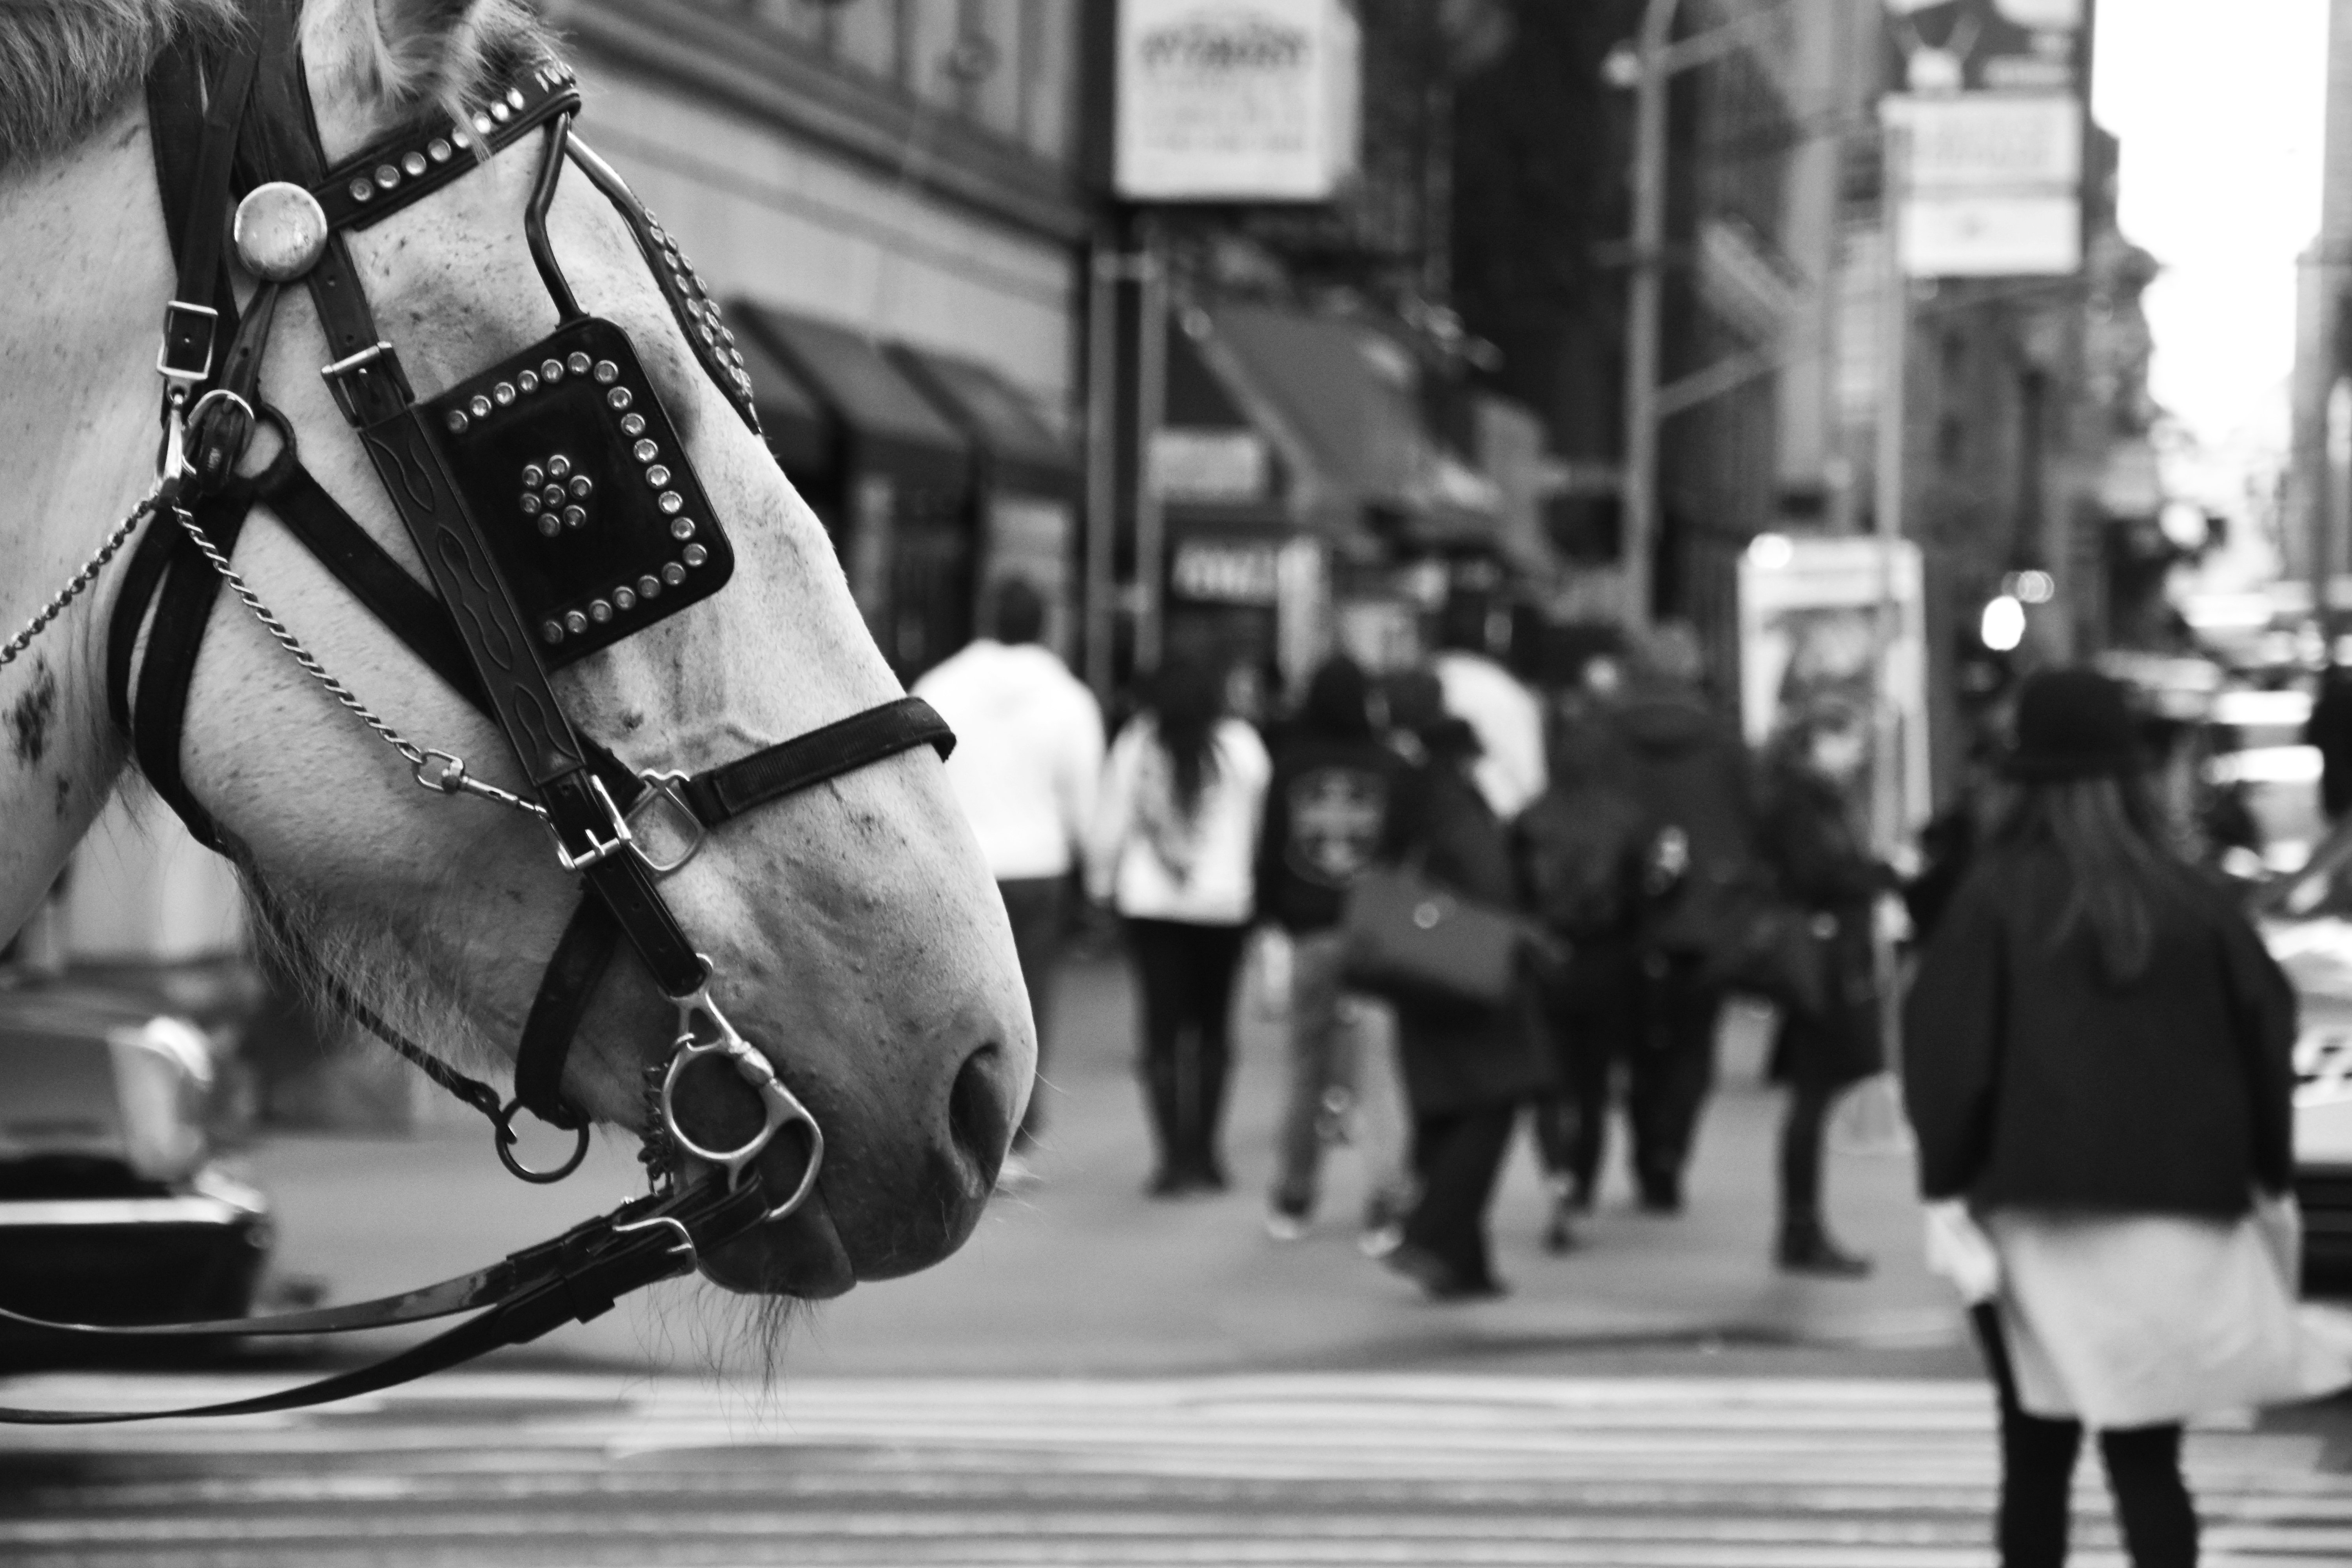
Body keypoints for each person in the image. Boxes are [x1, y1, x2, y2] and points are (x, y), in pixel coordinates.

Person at [1905, 669, 2323, 1568]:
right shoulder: (2192, 897)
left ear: (2021, 778)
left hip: (2033, 1207)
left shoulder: (1994, 898)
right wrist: (2263, 1169)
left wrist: (1946, 1183)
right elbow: (2266, 1024)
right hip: (2178, 1204)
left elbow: (1948, 1049)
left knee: (2034, 1454)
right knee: (2148, 1458)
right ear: (2135, 778)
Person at [913, 578, 1103, 1185]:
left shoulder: (940, 685)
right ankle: (1014, 1141)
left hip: (958, 866)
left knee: (949, 1006)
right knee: (1027, 1003)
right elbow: (1085, 795)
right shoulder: (1068, 698)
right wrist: (1097, 877)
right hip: (1037, 871)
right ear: (1046, 623)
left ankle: (950, 1130)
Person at [1087, 651, 1271, 1196]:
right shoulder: (1242, 748)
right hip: (1224, 906)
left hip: (1153, 908)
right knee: (1214, 1033)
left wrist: (1100, 887)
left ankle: (1171, 1161)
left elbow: (1110, 825)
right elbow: (1260, 828)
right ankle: (1208, 1155)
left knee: (1161, 1034)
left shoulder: (1137, 745)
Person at [1381, 711, 1552, 1298]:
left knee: (1445, 1114)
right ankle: (1431, 1235)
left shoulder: (1411, 802)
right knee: (1494, 1103)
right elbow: (1492, 886)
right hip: (1470, 973)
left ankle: (1463, 1264)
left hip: (1418, 974)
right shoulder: (1459, 808)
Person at [1254, 656, 1415, 1247]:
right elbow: (1403, 855)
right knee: (1381, 1073)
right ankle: (1385, 1202)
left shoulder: (1290, 765)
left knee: (1304, 1069)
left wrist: (1273, 916)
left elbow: (1271, 849)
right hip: (1378, 936)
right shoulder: (1393, 767)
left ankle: (1294, 1196)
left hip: (1311, 933)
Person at [1610, 621, 1756, 1213]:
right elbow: (1749, 822)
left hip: (1629, 912)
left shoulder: (1607, 737)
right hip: (1707, 910)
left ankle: (1645, 1146)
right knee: (1694, 1045)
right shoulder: (1723, 742)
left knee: (1639, 1043)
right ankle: (1671, 1150)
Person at [1753, 703, 1887, 1276]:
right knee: (1812, 1097)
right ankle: (1800, 1228)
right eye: (1848, 739)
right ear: (1818, 742)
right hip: (1820, 962)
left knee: (1814, 1097)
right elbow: (1817, 873)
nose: (1857, 752)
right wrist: (1880, 876)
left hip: (1824, 957)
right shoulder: (1801, 802)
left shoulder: (1805, 798)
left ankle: (1802, 1226)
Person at [1513, 704, 1650, 1251]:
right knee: (1594, 1087)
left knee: (1549, 1082)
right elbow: (1640, 900)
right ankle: (1582, 1185)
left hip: (1546, 958)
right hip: (1606, 960)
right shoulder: (1624, 819)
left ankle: (1558, 1175)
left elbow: (1515, 893)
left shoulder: (1530, 820)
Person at [1432, 600, 1548, 820]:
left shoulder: (1441, 668)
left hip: (1466, 806)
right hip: (1470, 812)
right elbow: (1531, 788)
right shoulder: (1511, 696)